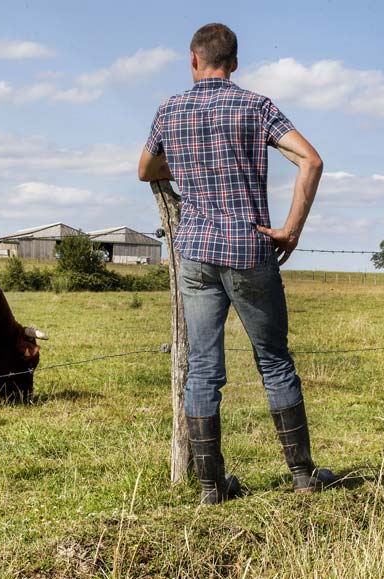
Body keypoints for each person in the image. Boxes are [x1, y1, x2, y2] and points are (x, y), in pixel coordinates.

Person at [138, 23, 335, 504]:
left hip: (197, 252)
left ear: (192, 60)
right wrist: (291, 229)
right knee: (273, 361)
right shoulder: (255, 106)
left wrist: (183, 167)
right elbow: (311, 161)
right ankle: (303, 476)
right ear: (236, 63)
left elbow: (145, 170)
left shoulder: (169, 110)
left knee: (203, 369)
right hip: (249, 249)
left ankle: (210, 487)